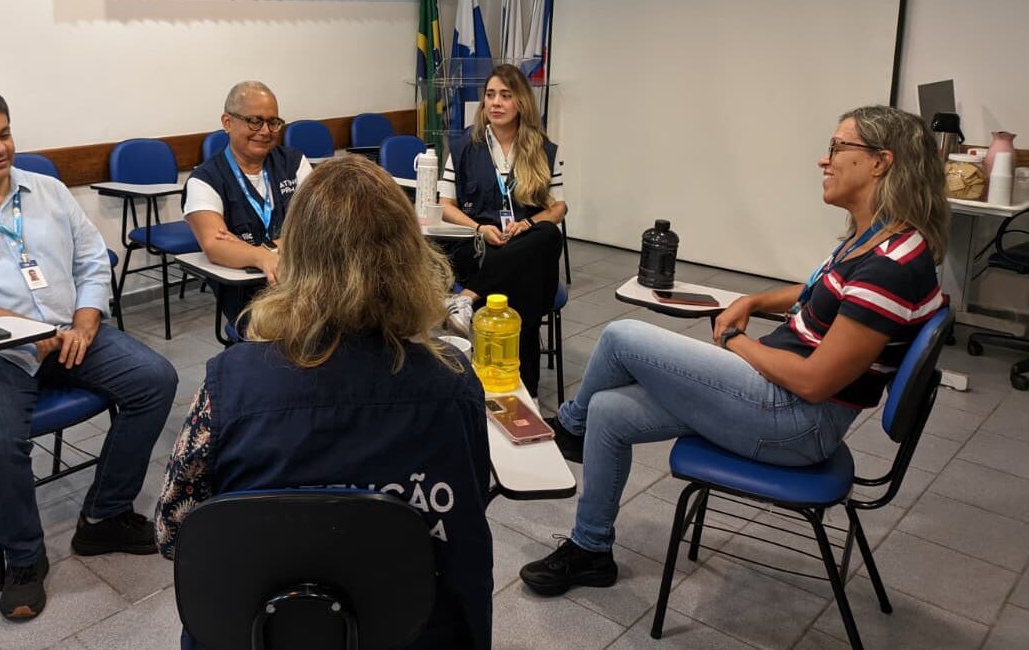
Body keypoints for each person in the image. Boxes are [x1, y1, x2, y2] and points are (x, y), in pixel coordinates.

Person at [519, 105, 949, 595]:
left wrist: (735, 342)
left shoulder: (891, 266)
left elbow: (815, 382)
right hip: (778, 399)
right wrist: (754, 299)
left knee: (621, 338)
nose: (823, 161)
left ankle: (567, 430)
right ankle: (591, 550)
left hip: (796, 421)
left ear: (880, 162)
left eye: (836, 148)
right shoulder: (873, 237)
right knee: (611, 410)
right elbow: (819, 288)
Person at [156, 156, 494, 649]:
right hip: (413, 630)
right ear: (409, 257)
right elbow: (468, 512)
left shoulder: (230, 383)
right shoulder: (453, 379)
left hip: (260, 630)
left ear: (294, 255)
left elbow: (174, 533)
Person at [0, 85, 178, 620]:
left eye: (4, 133)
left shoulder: (46, 189)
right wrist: (14, 325)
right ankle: (24, 557)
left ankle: (105, 516)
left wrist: (87, 319)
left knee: (155, 379)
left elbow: (93, 260)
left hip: (69, 334)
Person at [439, 64, 566, 394]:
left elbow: (558, 208)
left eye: (505, 96)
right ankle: (528, 394)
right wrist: (480, 228)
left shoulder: (544, 149)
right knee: (526, 280)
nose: (495, 103)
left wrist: (527, 224)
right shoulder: (464, 146)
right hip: (481, 244)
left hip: (525, 242)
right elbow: (446, 206)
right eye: (490, 95)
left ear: (521, 103)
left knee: (547, 235)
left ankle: (466, 299)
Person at [183, 80, 313, 328]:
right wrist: (264, 258)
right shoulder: (205, 180)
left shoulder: (294, 163)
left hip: (304, 280)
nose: (265, 131)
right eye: (255, 121)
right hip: (248, 292)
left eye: (273, 122)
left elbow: (317, 228)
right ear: (227, 122)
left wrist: (252, 248)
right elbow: (214, 246)